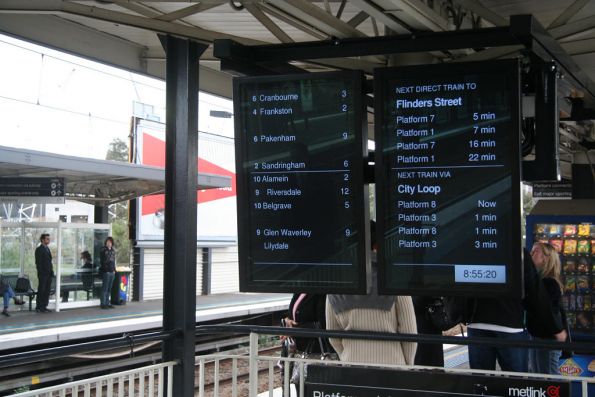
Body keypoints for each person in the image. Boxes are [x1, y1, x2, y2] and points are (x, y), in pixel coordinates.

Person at [326, 221, 417, 365]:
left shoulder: (337, 282)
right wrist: (407, 365)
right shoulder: (394, 277)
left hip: (351, 367)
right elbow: (409, 333)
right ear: (377, 245)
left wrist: (348, 355)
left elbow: (332, 335)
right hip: (392, 366)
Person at [527, 242, 567, 374]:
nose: (530, 254)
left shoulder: (550, 283)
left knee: (549, 380)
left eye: (535, 252)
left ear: (546, 258)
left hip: (547, 338)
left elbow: (550, 311)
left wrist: (558, 330)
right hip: (537, 336)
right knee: (539, 378)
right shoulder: (539, 281)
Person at [34, 233, 54, 313]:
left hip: (49, 274)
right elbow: (38, 263)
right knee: (41, 290)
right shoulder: (39, 249)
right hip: (43, 274)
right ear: (42, 240)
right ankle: (39, 307)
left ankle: (44, 306)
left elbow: (49, 261)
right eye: (47, 239)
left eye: (49, 239)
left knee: (47, 291)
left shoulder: (47, 248)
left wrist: (51, 272)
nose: (49, 240)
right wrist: (41, 273)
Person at [99, 237, 116, 309]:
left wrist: (114, 270)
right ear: (106, 243)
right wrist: (106, 270)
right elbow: (102, 261)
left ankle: (108, 302)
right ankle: (103, 303)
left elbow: (113, 261)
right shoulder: (103, 250)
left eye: (110, 242)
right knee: (105, 288)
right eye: (108, 242)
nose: (109, 243)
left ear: (112, 243)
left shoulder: (113, 251)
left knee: (109, 288)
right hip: (106, 272)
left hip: (112, 272)